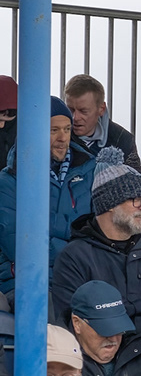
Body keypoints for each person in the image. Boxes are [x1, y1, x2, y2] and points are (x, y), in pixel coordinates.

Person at [51, 148, 141, 376]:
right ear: (109, 204)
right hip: (105, 373)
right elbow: (72, 326)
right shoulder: (75, 257)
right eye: (136, 200)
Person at [0, 98, 93, 293]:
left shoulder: (90, 171)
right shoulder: (9, 181)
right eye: (54, 130)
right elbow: (18, 245)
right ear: (33, 132)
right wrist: (76, 253)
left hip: (81, 277)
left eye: (67, 129)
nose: (62, 138)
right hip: (26, 280)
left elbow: (100, 230)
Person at [63, 73, 139, 166]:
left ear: (101, 109)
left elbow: (137, 178)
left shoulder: (123, 140)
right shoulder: (55, 136)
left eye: (83, 111)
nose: (75, 117)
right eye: (70, 110)